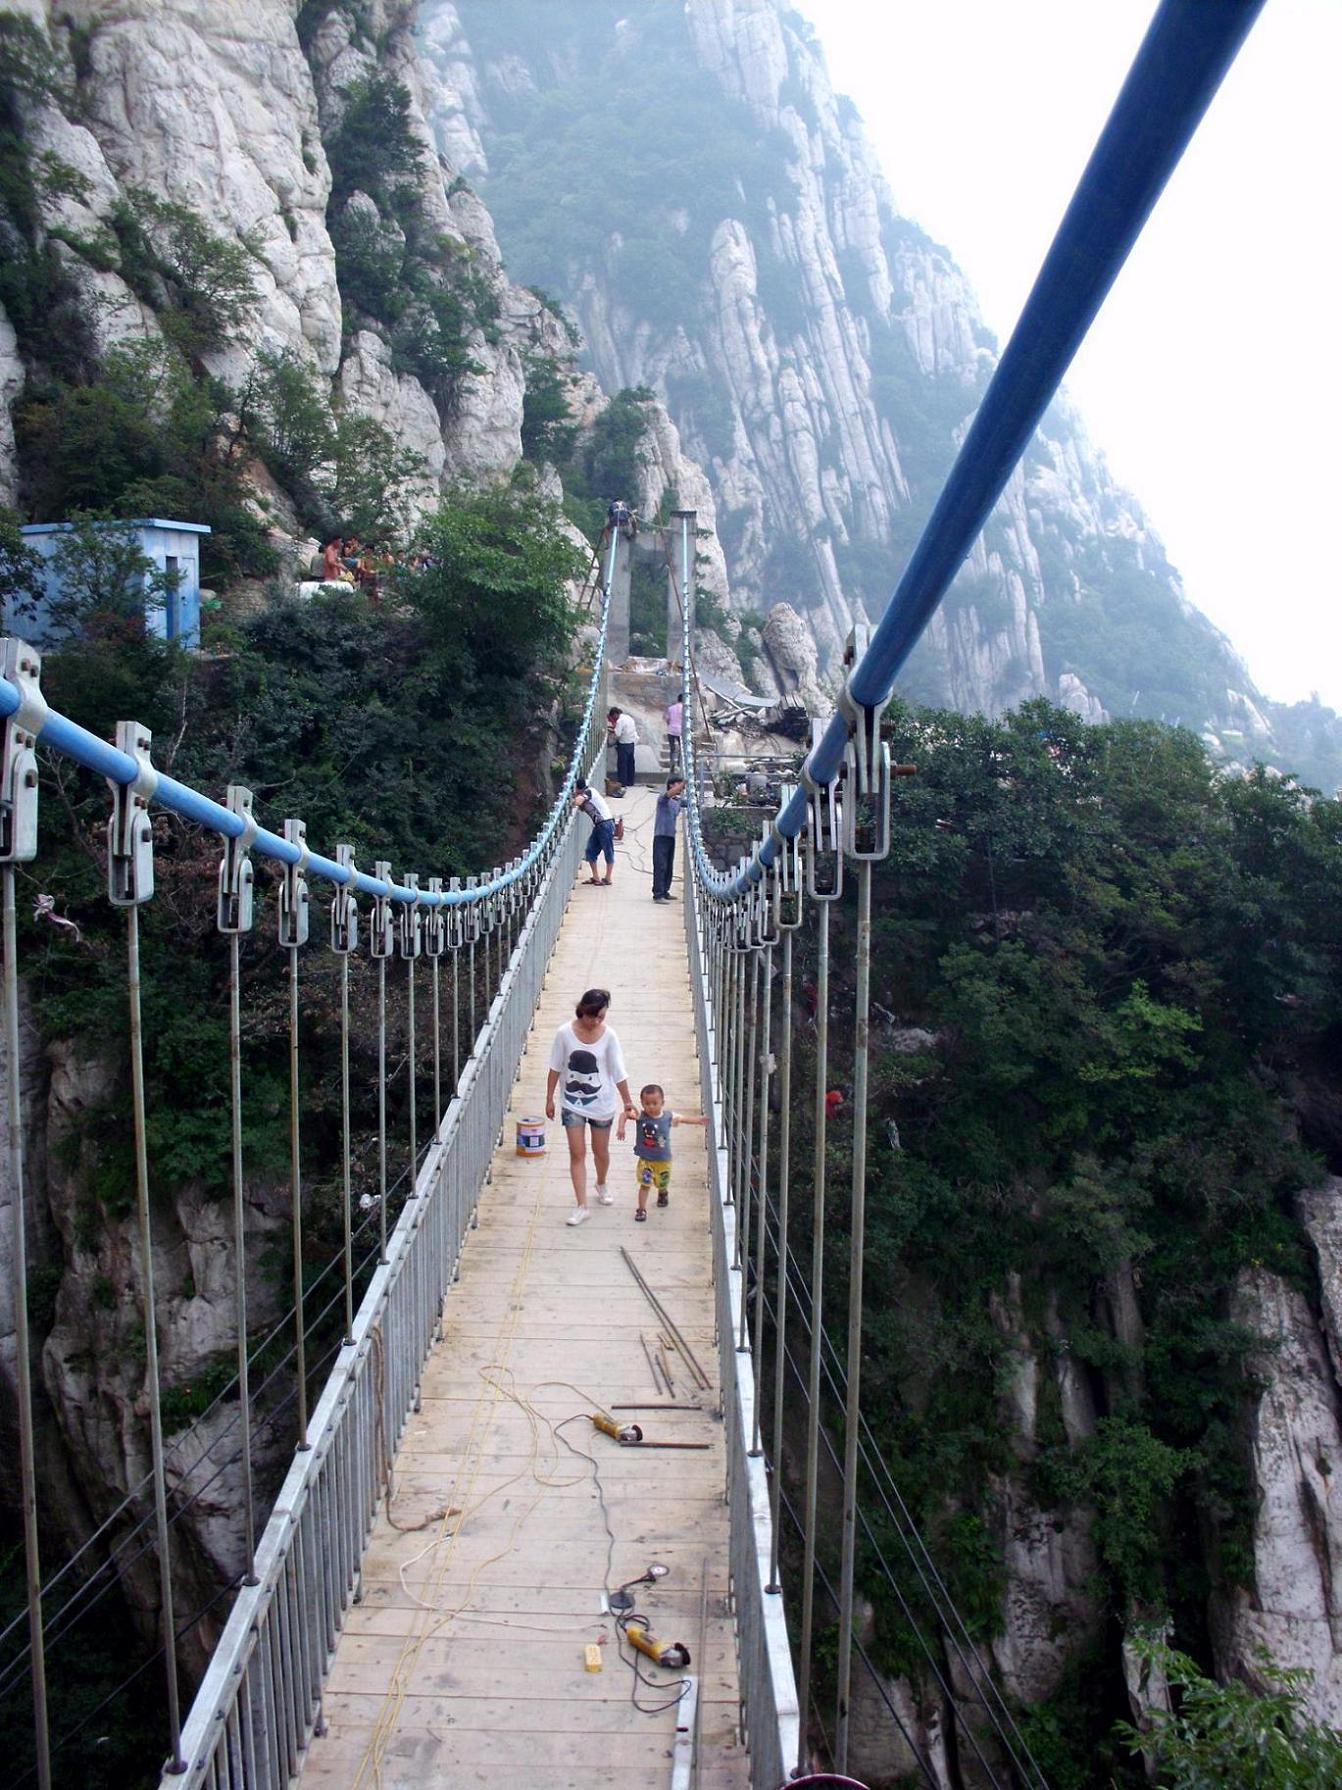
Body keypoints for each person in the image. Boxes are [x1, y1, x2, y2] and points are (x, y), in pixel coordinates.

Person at [547, 989, 637, 1225]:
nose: (595, 1021)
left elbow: (618, 1071)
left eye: (601, 1017)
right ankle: (581, 1206)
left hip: (602, 1104)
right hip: (571, 1103)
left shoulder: (609, 1036)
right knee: (577, 1153)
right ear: (582, 1010)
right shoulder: (564, 1034)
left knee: (601, 1152)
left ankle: (601, 1182)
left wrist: (628, 1102)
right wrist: (549, 1098)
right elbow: (555, 1067)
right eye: (591, 1016)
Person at [617, 1083, 709, 1221]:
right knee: (645, 1184)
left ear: (662, 1103)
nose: (651, 1107)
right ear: (642, 1103)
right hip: (645, 1160)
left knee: (662, 1182)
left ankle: (663, 1192)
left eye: (655, 1103)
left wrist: (698, 1120)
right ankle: (641, 1209)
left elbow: (683, 1119)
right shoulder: (640, 1116)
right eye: (647, 1103)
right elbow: (624, 1115)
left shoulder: (668, 1117)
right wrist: (621, 1128)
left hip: (663, 1160)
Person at [573, 779, 615, 885]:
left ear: (578, 788)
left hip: (606, 823)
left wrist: (572, 801)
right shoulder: (587, 794)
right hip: (599, 825)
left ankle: (608, 878)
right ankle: (596, 877)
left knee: (608, 850)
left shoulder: (589, 792)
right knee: (590, 850)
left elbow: (578, 801)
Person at [652, 775, 685, 902]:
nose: (681, 789)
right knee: (660, 865)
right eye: (678, 785)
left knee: (668, 866)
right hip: (661, 836)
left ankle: (665, 891)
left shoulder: (677, 802)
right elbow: (668, 794)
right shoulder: (662, 799)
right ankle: (658, 894)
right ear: (671, 785)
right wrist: (683, 784)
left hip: (671, 836)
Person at [607, 707, 638, 790]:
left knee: (622, 764)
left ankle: (623, 782)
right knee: (630, 763)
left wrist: (610, 731)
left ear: (615, 714)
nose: (614, 719)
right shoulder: (629, 718)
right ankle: (630, 781)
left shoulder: (620, 721)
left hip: (624, 744)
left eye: (614, 717)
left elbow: (618, 734)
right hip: (631, 743)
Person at [664, 694, 684, 774]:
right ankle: (679, 764)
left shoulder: (671, 708)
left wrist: (670, 725)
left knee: (672, 749)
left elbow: (667, 719)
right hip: (680, 731)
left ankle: (672, 766)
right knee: (681, 749)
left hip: (671, 730)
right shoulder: (684, 709)